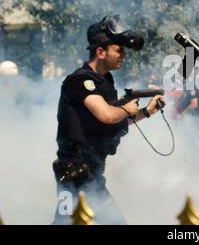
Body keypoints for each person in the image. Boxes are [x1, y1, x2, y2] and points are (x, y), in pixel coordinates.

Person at [52, 16, 165, 225]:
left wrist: (146, 112)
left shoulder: (105, 81)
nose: (123, 55)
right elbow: (106, 114)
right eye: (118, 50)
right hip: (75, 174)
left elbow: (111, 121)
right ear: (100, 52)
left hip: (92, 172)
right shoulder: (80, 80)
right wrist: (126, 108)